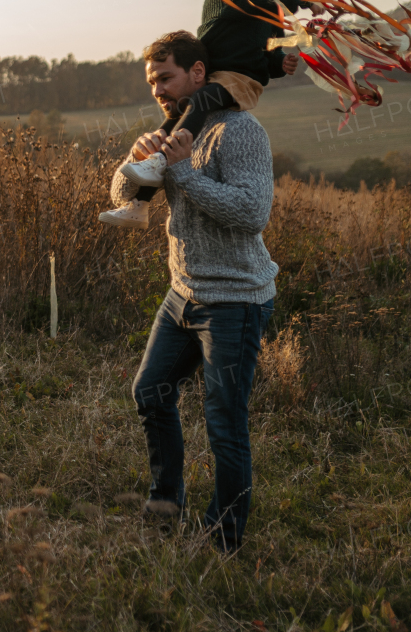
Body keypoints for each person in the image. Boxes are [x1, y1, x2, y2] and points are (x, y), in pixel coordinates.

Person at [110, 30, 278, 554]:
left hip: (235, 298)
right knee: (150, 392)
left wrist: (183, 170)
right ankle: (166, 500)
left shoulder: (238, 131)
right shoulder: (172, 129)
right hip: (182, 293)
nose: (158, 89)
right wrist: (133, 163)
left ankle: (223, 537)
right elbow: (121, 195)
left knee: (224, 421)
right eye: (152, 81)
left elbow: (252, 214)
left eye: (167, 77)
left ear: (198, 74)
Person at [100, 0, 324, 230]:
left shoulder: (239, 130)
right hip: (216, 75)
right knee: (175, 118)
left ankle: (159, 165)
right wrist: (139, 153)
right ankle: (138, 204)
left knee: (201, 100)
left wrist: (280, 62)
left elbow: (269, 49)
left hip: (241, 79)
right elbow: (248, 3)